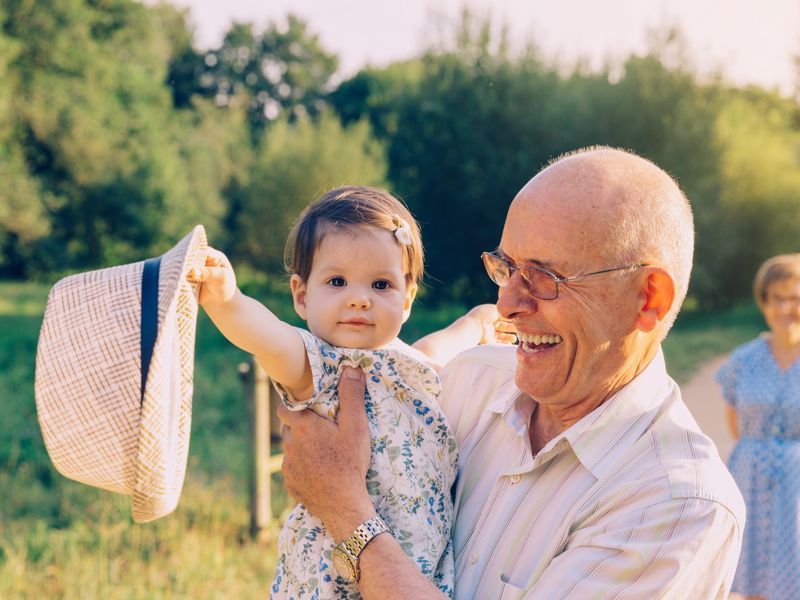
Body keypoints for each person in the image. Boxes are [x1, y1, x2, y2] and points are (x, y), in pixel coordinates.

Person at [278, 147, 747, 599]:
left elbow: (338, 486)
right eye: (506, 268)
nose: (506, 304)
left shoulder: (677, 506)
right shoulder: (467, 382)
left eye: (545, 277)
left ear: (648, 299)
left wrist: (345, 510)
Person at [189, 186, 510, 599]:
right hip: (335, 576)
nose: (359, 299)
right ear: (302, 295)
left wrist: (479, 321)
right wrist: (227, 300)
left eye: (380, 285)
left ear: (407, 298)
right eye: (337, 281)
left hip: (413, 572)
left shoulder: (411, 365)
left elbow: (445, 342)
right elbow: (267, 338)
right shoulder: (317, 367)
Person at [716, 254, 800, 600]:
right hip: (748, 477)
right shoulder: (742, 361)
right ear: (764, 303)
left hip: (798, 486)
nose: (785, 308)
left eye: (795, 297)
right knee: (751, 578)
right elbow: (735, 426)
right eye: (776, 298)